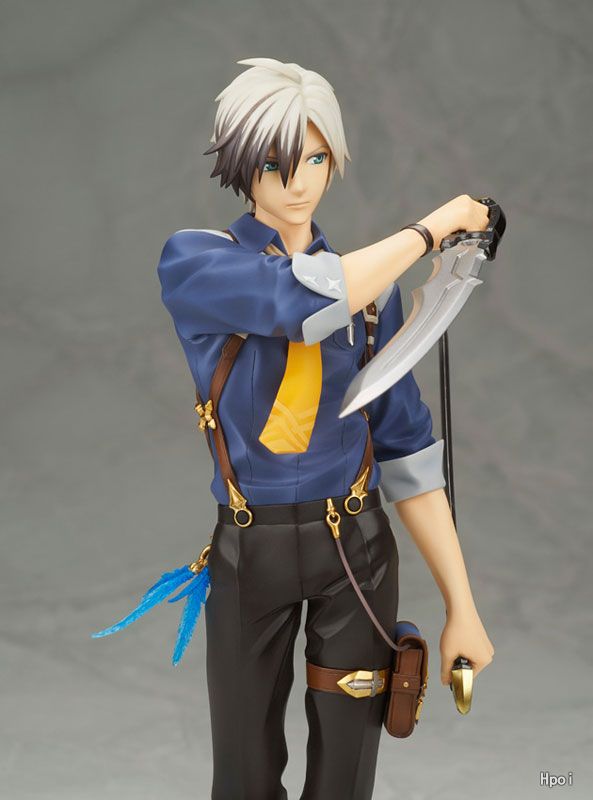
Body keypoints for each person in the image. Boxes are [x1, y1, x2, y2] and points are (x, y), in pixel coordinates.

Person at [157, 57, 495, 800]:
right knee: (243, 776)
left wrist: (462, 607)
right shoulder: (197, 262)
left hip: (355, 549)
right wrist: (431, 229)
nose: (298, 182)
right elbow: (300, 301)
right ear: (241, 165)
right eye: (275, 163)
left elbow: (407, 452)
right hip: (252, 549)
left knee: (346, 773)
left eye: (315, 158)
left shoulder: (372, 296)